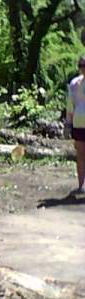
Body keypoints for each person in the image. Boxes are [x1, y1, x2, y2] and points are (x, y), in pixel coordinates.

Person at [66, 55, 85, 196]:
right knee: (80, 155)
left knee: (82, 155)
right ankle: (81, 185)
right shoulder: (74, 84)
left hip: (79, 120)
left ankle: (82, 185)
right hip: (79, 122)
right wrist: (68, 123)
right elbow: (70, 105)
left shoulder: (75, 83)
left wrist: (68, 123)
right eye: (82, 66)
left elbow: (70, 106)